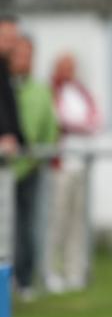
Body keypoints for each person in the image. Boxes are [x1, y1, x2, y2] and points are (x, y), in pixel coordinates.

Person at [46, 54, 101, 293]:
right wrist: (77, 124)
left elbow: (94, 120)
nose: (69, 71)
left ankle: (74, 272)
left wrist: (77, 124)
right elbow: (60, 119)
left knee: (77, 223)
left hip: (80, 165)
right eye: (65, 67)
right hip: (60, 166)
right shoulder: (51, 91)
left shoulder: (80, 92)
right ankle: (51, 270)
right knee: (56, 221)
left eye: (72, 67)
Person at [10, 36, 58, 301]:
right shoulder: (5, 86)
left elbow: (51, 129)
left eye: (28, 56)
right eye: (18, 55)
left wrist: (35, 159)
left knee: (27, 226)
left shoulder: (41, 90)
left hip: (29, 168)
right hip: (4, 168)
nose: (24, 61)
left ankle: (25, 280)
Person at [0, 15, 24, 155]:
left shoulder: (5, 69)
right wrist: (5, 134)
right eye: (7, 38)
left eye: (14, 39)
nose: (12, 44)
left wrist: (18, 137)